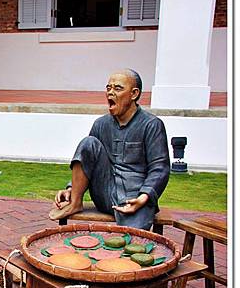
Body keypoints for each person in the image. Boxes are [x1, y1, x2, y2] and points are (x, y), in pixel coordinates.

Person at [49, 69, 170, 230]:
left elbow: (160, 168)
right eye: (108, 88)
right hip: (103, 193)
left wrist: (144, 197)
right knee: (88, 143)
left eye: (118, 88)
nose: (110, 93)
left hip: (133, 198)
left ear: (134, 94)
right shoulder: (101, 124)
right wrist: (72, 188)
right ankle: (75, 203)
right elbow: (87, 158)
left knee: (134, 245)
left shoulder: (151, 125)